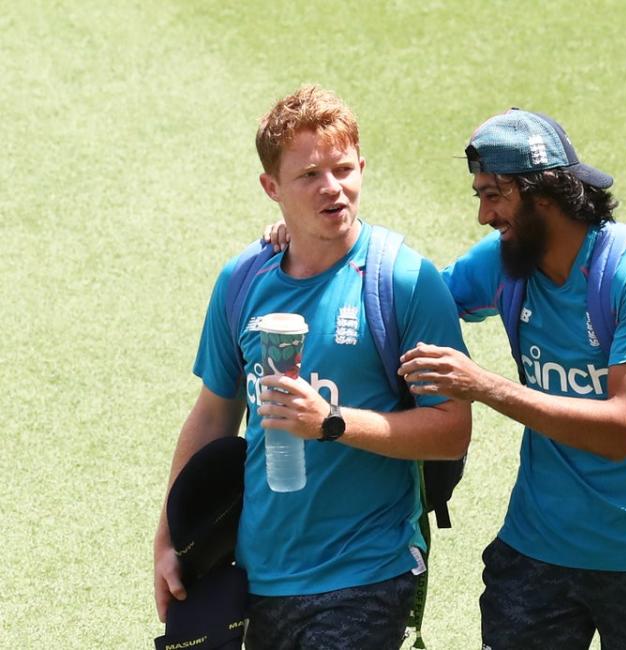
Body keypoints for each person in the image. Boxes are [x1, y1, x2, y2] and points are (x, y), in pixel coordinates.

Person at [153, 85, 471, 650]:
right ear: (271, 187)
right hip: (257, 576)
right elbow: (212, 415)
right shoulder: (242, 282)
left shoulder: (403, 282)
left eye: (343, 169)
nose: (333, 187)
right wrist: (168, 542)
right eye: (308, 176)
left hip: (366, 573)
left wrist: (333, 420)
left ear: (362, 168)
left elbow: (451, 430)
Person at [397, 109, 626, 649]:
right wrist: (310, 239)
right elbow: (404, 299)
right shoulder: (502, 263)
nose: (484, 215)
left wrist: (484, 385)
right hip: (538, 548)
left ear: (543, 195)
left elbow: (621, 428)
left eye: (495, 195)